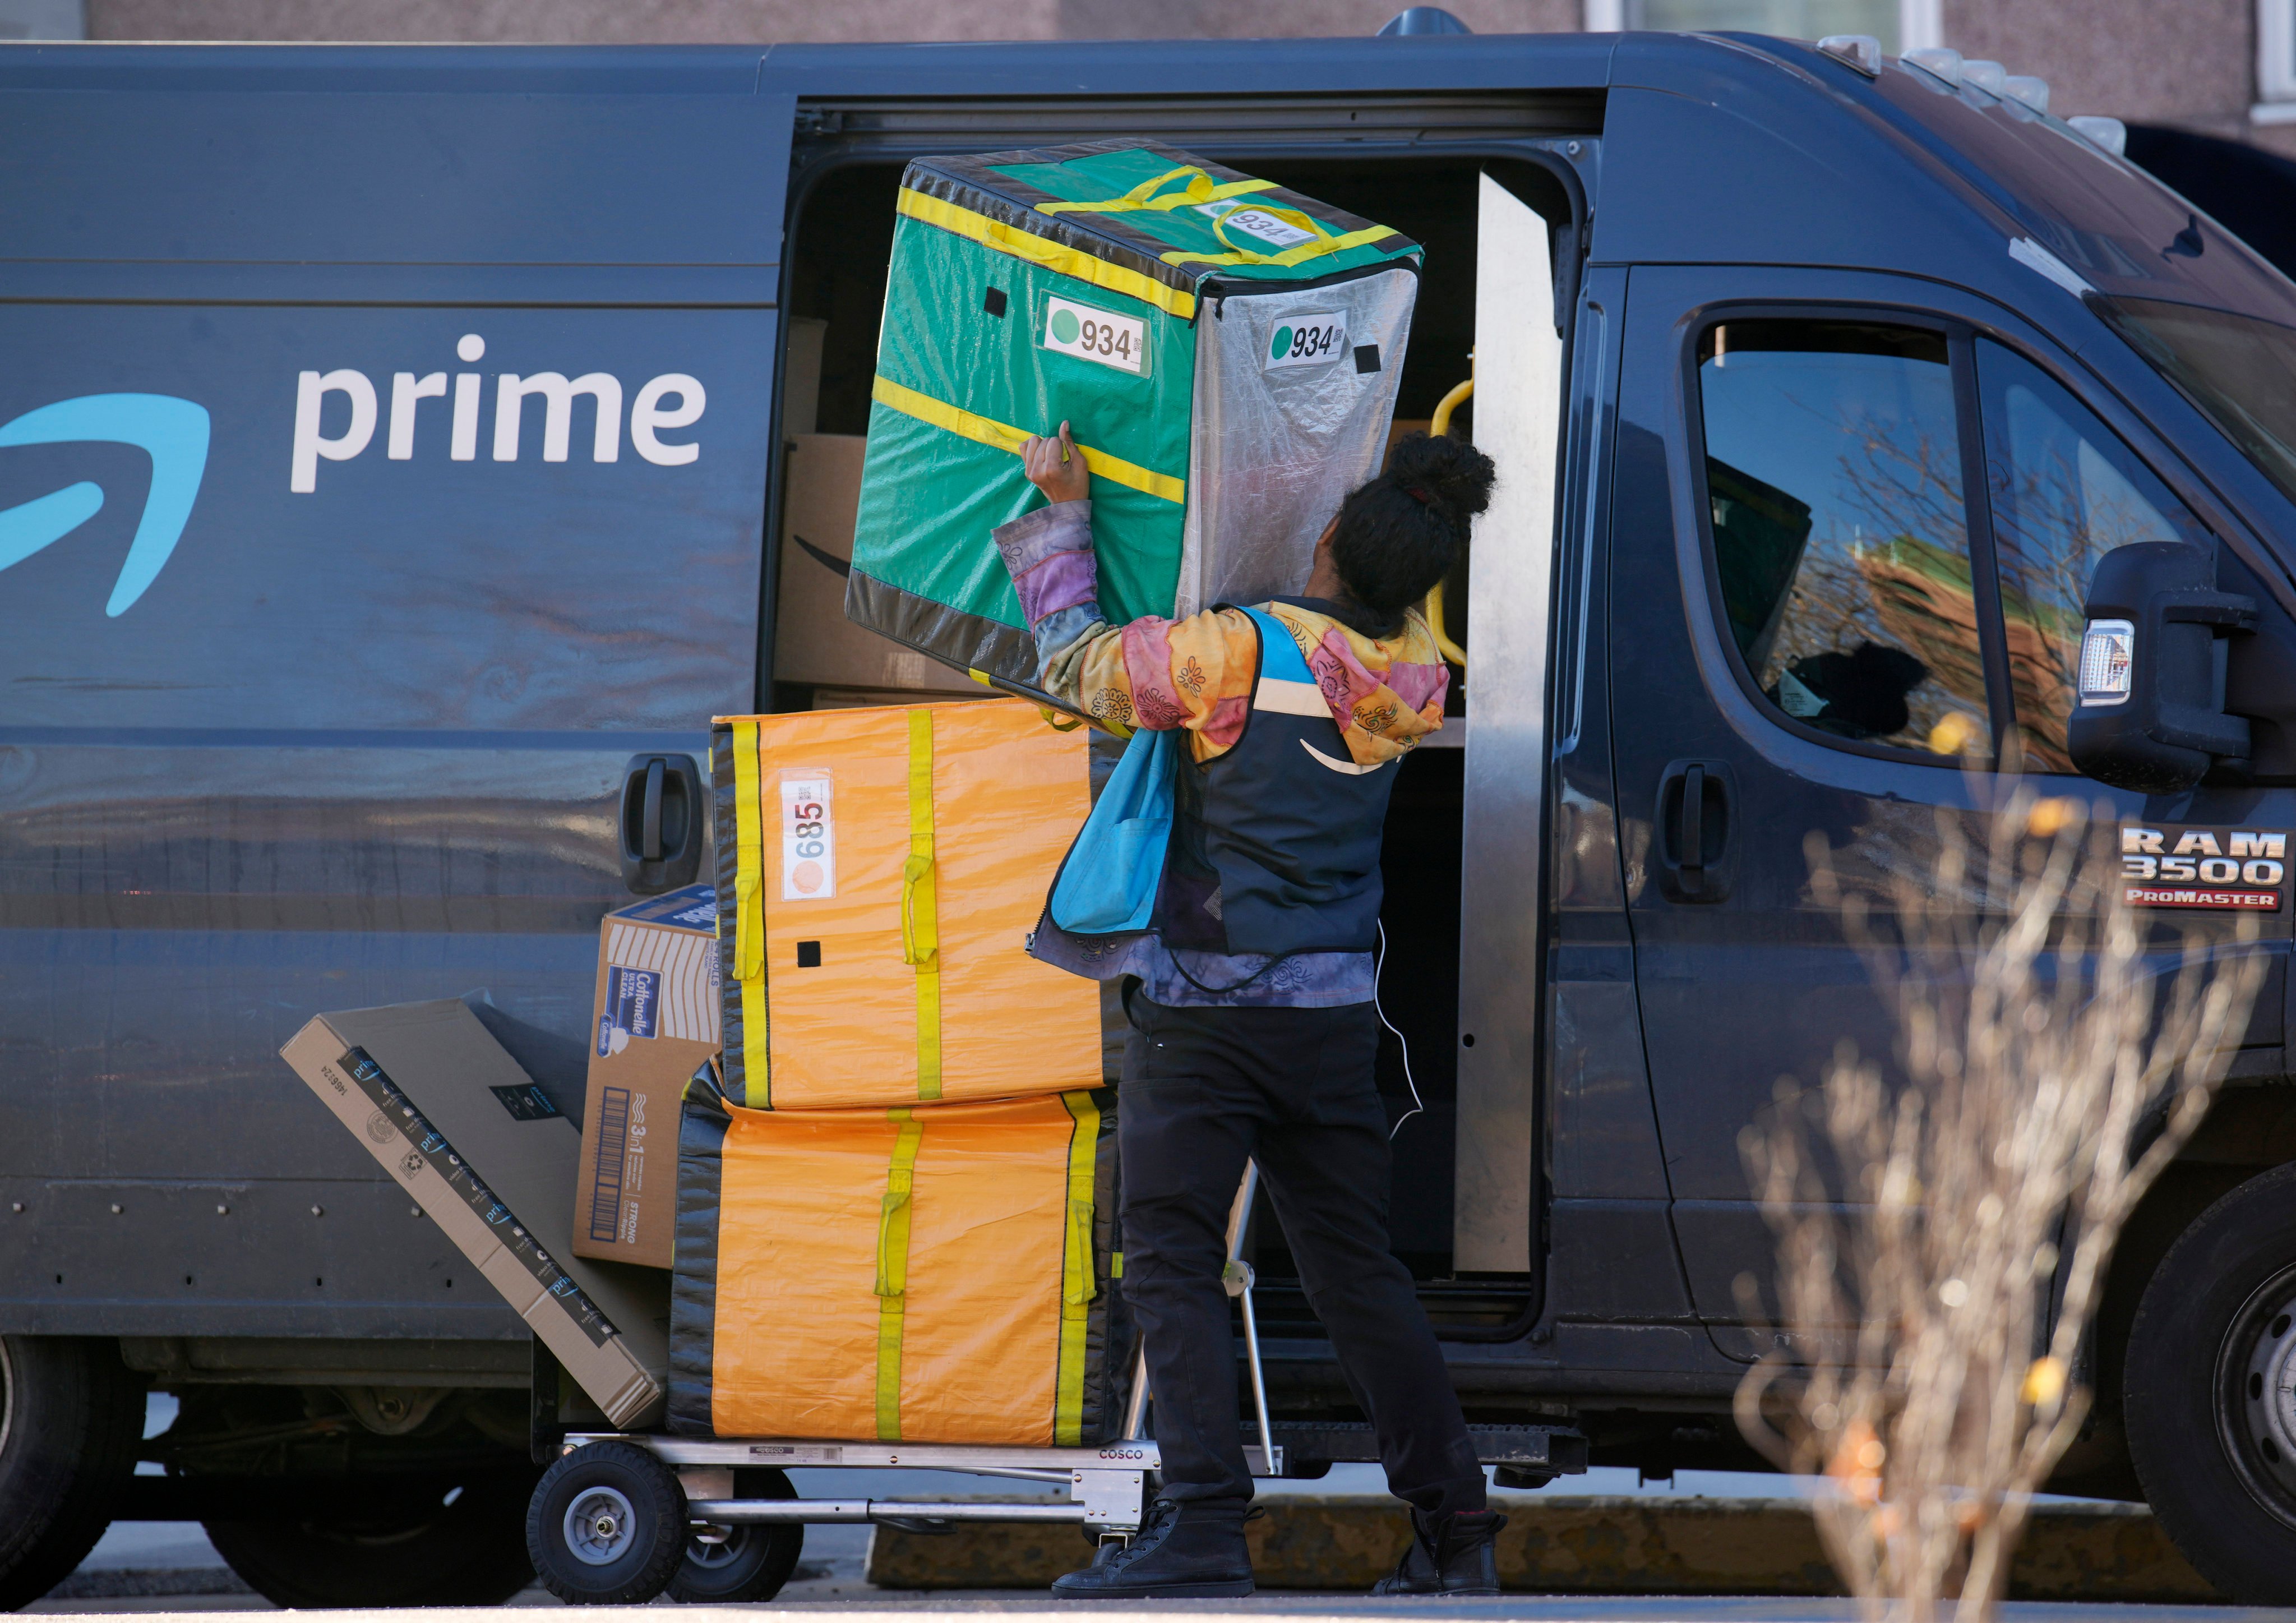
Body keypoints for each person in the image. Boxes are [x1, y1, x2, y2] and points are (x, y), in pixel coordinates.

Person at [990, 422, 1503, 1600]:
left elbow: (1078, 668)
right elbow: (1381, 614)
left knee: (1170, 1260)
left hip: (1208, 1016)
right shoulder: (1416, 679)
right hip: (1332, 1021)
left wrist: (1062, 511)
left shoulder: (1232, 653)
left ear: (1325, 540)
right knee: (1358, 1277)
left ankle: (1205, 1524)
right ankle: (1457, 1527)